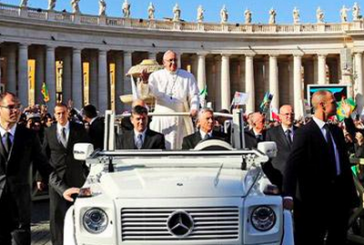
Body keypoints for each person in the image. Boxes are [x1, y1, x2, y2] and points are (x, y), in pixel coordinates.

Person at [283, 90, 359, 245]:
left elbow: (343, 165)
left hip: (339, 200)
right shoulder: (304, 133)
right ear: (322, 105)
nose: (336, 104)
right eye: (333, 102)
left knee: (338, 239)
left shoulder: (336, 131)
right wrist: (288, 195)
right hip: (314, 201)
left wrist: (351, 196)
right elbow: (292, 165)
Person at [0, 92, 56, 245]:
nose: (15, 111)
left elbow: (44, 166)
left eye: (18, 107)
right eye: (10, 107)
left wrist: (64, 188)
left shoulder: (29, 136)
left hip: (19, 209)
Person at [43, 103, 90, 245]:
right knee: (56, 214)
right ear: (54, 114)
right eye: (58, 113)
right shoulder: (49, 131)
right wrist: (40, 178)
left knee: (76, 212)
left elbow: (87, 151)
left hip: (75, 177)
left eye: (63, 113)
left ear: (68, 113)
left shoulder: (79, 129)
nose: (61, 116)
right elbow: (43, 155)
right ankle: (57, 242)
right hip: (57, 179)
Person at [141, 50, 199, 149]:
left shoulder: (188, 76)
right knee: (160, 145)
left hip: (180, 116)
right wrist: (145, 82)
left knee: (179, 145)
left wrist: (194, 108)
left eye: (175, 60)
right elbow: (147, 94)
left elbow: (194, 95)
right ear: (164, 63)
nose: (173, 63)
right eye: (170, 60)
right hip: (161, 116)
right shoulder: (155, 76)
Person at [265, 105, 296, 190]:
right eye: (286, 114)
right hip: (279, 178)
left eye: (292, 114)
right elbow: (267, 157)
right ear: (280, 116)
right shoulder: (271, 133)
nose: (289, 116)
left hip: (298, 178)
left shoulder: (301, 131)